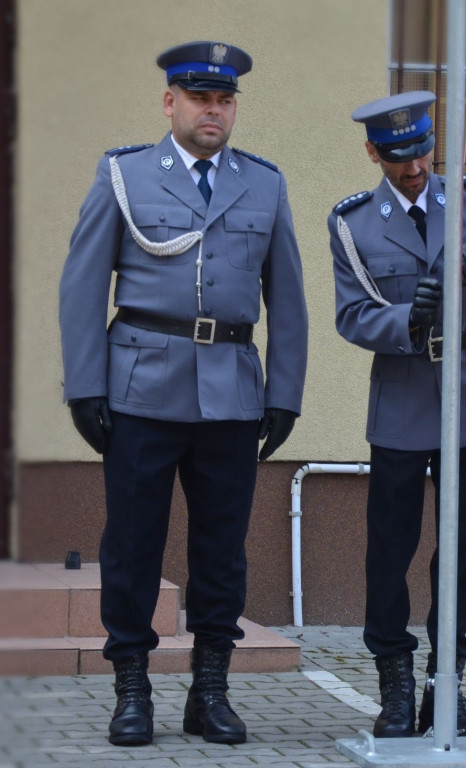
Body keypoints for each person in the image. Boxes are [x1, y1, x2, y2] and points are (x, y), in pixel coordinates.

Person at [58, 41, 308, 747]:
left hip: (231, 394)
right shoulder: (126, 174)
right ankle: (132, 690)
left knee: (222, 552)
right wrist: (85, 386)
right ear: (171, 102)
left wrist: (284, 392)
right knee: (133, 546)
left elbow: (286, 297)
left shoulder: (263, 185)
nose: (213, 111)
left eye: (224, 100)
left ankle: (211, 693)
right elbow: (82, 285)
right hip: (140, 388)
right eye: (200, 98)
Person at [330, 91, 466, 738]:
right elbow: (352, 315)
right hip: (405, 390)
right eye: (398, 157)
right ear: (373, 153)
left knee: (461, 548)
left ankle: (448, 682)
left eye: (422, 153)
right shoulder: (353, 224)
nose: (414, 169)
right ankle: (395, 681)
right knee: (390, 548)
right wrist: (407, 317)